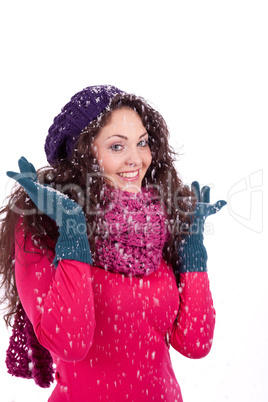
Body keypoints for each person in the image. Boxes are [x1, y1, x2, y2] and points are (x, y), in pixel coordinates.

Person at [0, 85, 226, 401]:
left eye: (143, 143)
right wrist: (74, 234)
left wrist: (192, 249)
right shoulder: (43, 225)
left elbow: (195, 342)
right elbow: (69, 342)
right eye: (117, 147)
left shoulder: (157, 221)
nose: (137, 159)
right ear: (83, 154)